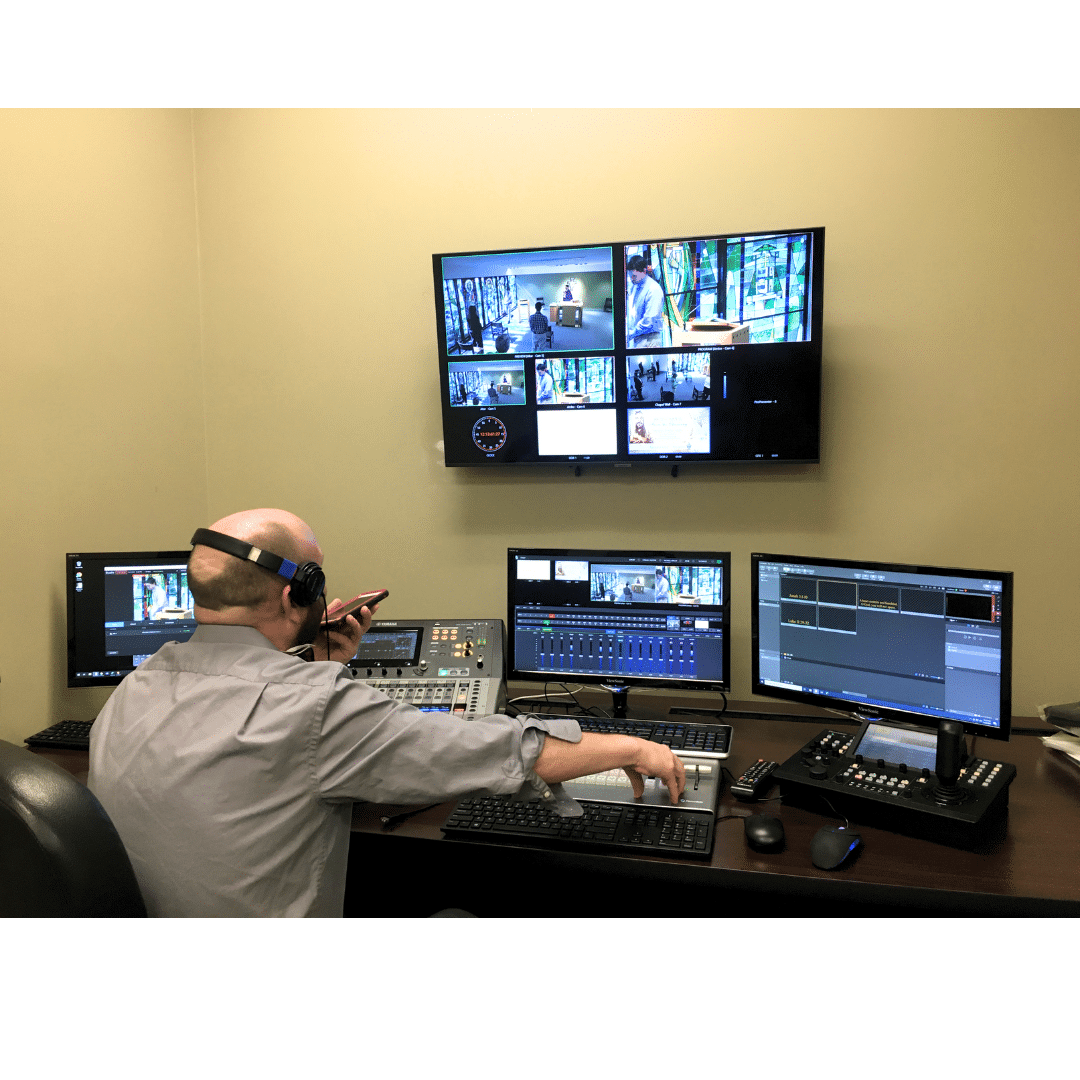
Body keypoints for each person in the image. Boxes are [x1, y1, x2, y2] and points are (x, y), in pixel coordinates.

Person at [87, 509, 685, 917]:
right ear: (299, 591)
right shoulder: (314, 707)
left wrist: (316, 665)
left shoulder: (133, 689)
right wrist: (634, 747)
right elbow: (500, 750)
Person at [626, 254, 664, 348]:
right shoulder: (635, 287)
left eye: (634, 276)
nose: (631, 279)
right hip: (638, 336)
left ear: (644, 271)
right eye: (630, 276)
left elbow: (649, 320)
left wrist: (630, 334)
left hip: (650, 339)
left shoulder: (653, 289)